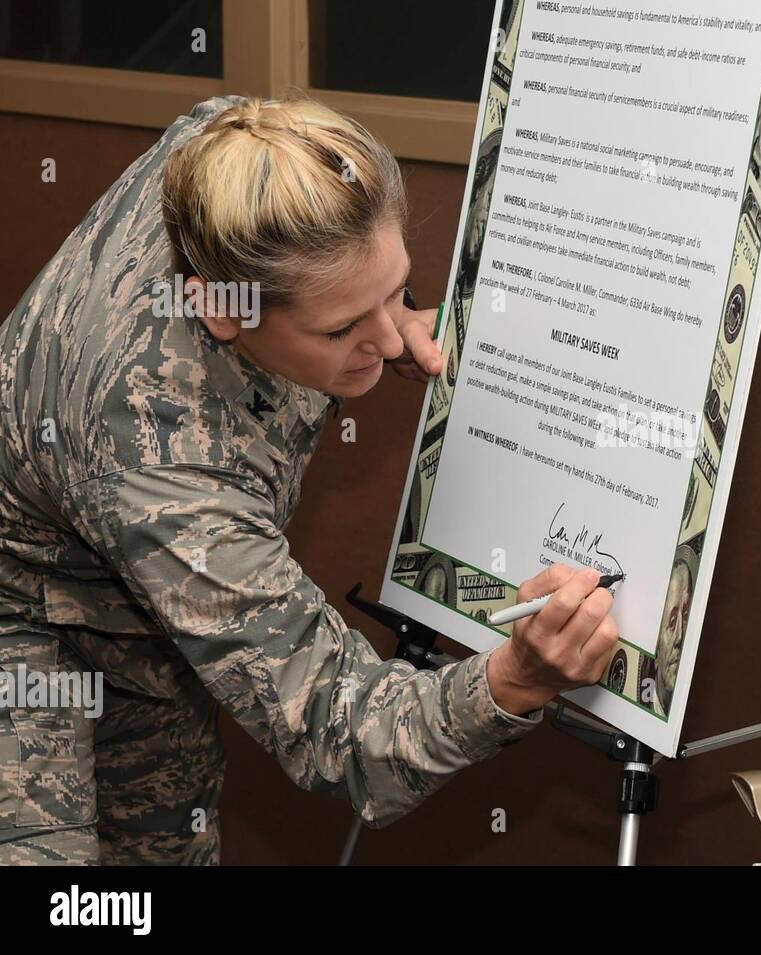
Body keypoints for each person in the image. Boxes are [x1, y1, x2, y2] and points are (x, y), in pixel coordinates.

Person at [0, 94, 619, 864]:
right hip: (21, 612)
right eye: (341, 328)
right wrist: (512, 679)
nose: (393, 338)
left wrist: (372, 315)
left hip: (149, 620)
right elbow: (337, 728)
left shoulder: (241, 153)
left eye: (394, 291)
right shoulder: (164, 464)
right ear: (222, 314)